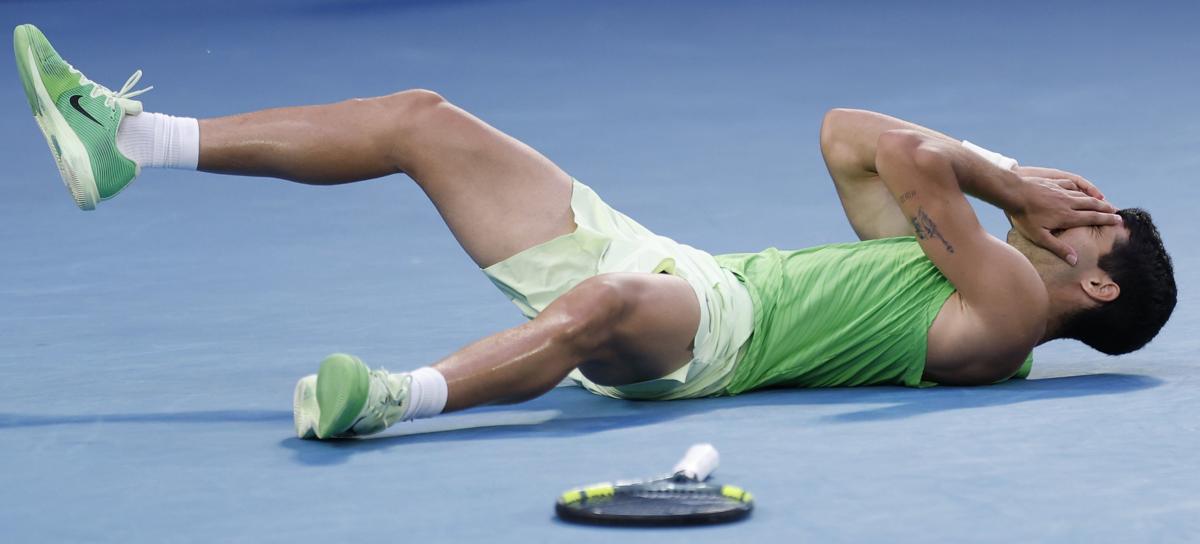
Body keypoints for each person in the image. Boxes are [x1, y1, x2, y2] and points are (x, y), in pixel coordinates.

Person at [14, 24, 1176, 442]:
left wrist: (1008, 178)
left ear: (1099, 292)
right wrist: (1008, 187)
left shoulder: (1010, 311)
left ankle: (393, 398)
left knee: (606, 310)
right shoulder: (955, 278)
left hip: (712, 344)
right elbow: (848, 135)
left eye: (1092, 224)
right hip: (685, 263)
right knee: (424, 121)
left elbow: (921, 158)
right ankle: (138, 141)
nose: (1071, 211)